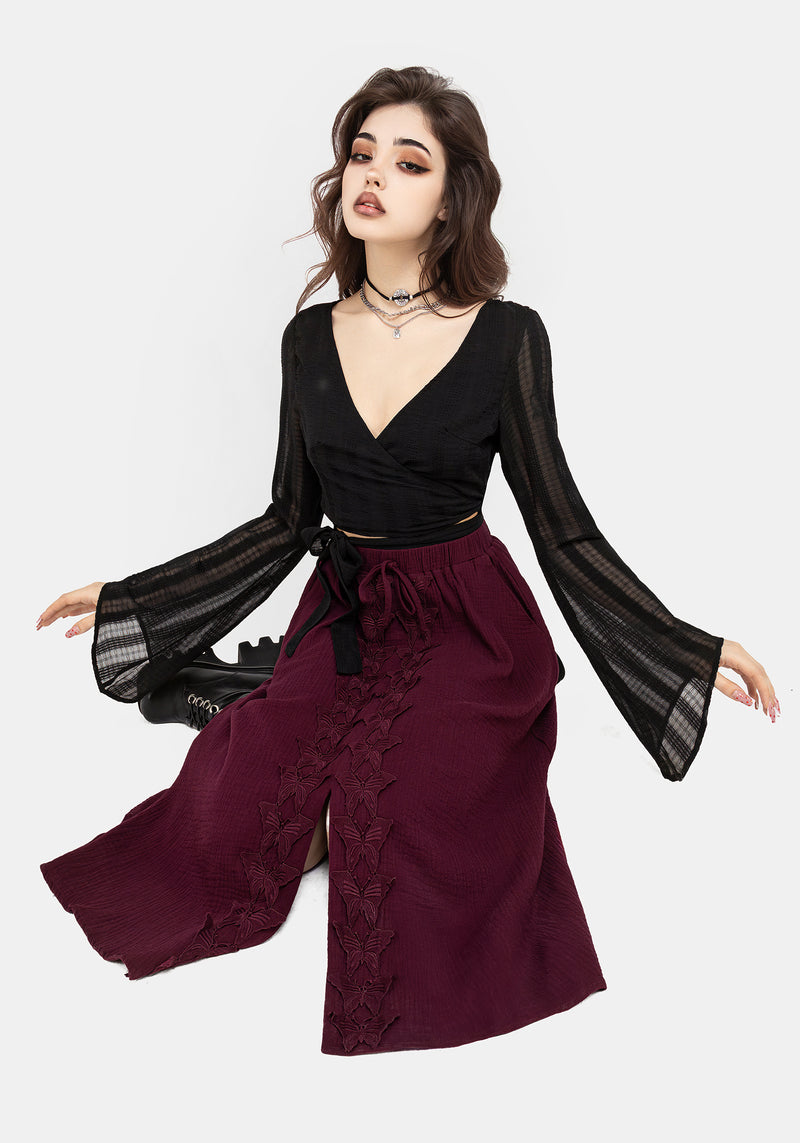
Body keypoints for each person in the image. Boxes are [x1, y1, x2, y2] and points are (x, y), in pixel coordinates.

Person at [35, 65, 779, 1057]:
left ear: (450, 198)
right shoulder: (309, 339)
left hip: (468, 627)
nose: (374, 174)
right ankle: (246, 694)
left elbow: (561, 529)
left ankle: (253, 694)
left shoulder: (507, 337)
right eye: (361, 153)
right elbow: (285, 521)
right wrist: (143, 600)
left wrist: (680, 645)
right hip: (346, 614)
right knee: (237, 813)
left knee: (409, 810)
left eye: (409, 161)